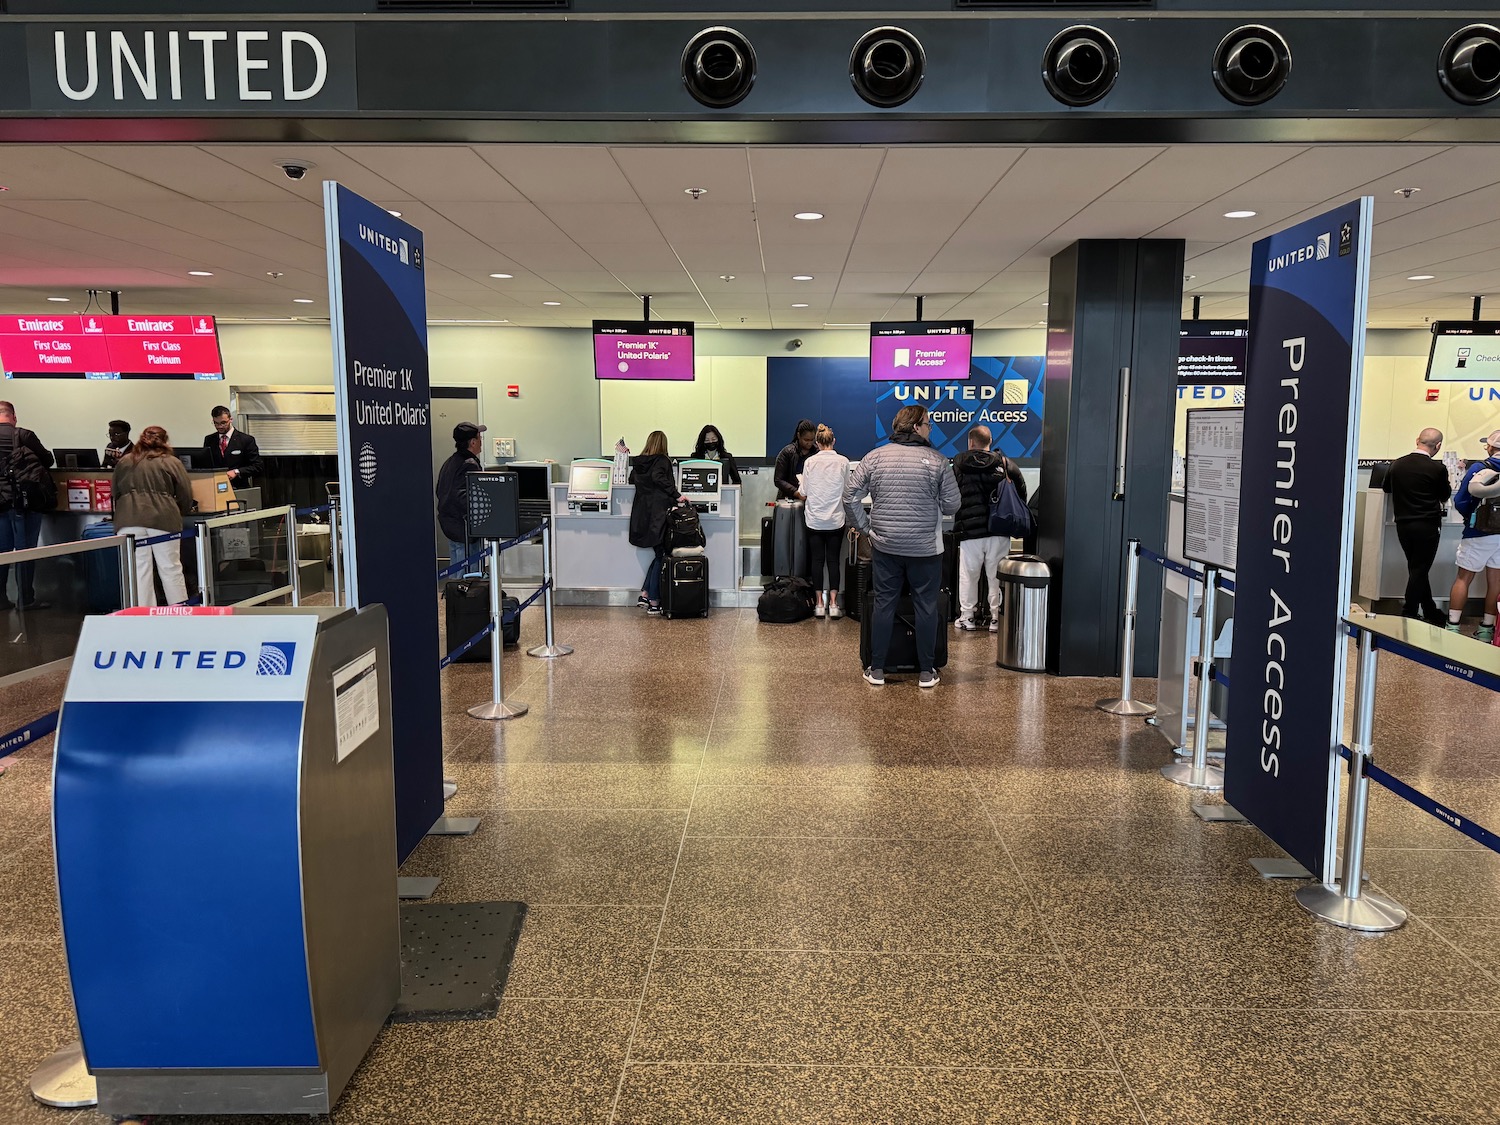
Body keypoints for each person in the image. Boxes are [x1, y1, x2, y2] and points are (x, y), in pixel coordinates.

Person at [843, 403, 961, 688]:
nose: (931, 429)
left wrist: (865, 528)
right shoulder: (937, 461)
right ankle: (926, 671)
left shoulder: (874, 458)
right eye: (929, 424)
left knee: (884, 603)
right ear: (917, 426)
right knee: (926, 606)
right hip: (926, 549)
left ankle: (878, 669)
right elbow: (953, 504)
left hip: (885, 546)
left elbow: (849, 496)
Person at [952, 425, 1027, 633]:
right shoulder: (1004, 463)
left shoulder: (959, 464)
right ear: (990, 441)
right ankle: (996, 618)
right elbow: (1021, 493)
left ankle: (968, 617)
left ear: (970, 442)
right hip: (999, 530)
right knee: (997, 576)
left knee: (969, 575)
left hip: (969, 531)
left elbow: (950, 493)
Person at [113, 425, 194, 607]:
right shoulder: (170, 462)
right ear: (165, 441)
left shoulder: (125, 461)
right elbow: (185, 493)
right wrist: (181, 510)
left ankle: (144, 616)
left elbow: (115, 492)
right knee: (170, 567)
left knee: (139, 570)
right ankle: (179, 614)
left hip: (128, 519)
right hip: (162, 518)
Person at [1382, 427, 1451, 624]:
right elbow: (1444, 495)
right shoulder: (1437, 469)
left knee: (1416, 568)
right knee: (1420, 568)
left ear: (1417, 440)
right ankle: (1409, 612)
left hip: (1403, 524)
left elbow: (1387, 487)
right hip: (1427, 525)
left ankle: (1430, 610)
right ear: (1437, 446)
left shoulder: (1397, 464)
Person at [0, 401, 55, 611]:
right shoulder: (23, 435)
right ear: (13, 417)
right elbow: (47, 460)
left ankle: (1, 598)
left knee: (2, 552)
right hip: (23, 501)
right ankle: (25, 599)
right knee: (25, 550)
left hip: (0, 503)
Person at [628, 430, 687, 616]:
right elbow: (658, 478)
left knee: (659, 554)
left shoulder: (638, 463)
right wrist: (678, 495)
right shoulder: (662, 460)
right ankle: (654, 601)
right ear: (663, 444)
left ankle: (645, 594)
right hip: (658, 515)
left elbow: (632, 480)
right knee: (662, 554)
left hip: (642, 515)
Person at [1451, 430, 1500, 640]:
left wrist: (1472, 517)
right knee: (1495, 581)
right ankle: (1487, 629)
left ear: (1490, 447)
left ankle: (1452, 626)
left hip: (1478, 532)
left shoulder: (1480, 468)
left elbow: (1461, 501)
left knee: (1464, 578)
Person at [801, 424, 850, 618]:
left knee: (817, 560)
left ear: (817, 443)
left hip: (814, 519)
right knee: (833, 560)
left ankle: (819, 604)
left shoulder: (810, 463)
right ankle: (834, 603)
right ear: (833, 441)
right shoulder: (844, 462)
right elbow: (847, 491)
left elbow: (803, 491)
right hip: (836, 520)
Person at [436, 421, 486, 568]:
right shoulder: (469, 464)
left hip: (451, 525)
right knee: (467, 576)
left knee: (457, 569)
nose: (481, 441)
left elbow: (440, 490)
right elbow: (465, 498)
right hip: (463, 528)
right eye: (479, 438)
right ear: (473, 442)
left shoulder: (451, 462)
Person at [201, 405, 263, 483]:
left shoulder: (246, 440)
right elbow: (206, 465)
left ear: (230, 420)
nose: (219, 426)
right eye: (216, 423)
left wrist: (237, 472)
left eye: (223, 423)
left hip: (239, 487)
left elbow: (257, 466)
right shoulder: (209, 440)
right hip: (215, 486)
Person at [773, 419, 818, 500]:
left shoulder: (817, 452)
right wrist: (796, 493)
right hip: (788, 498)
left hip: (811, 499)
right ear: (798, 435)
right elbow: (778, 480)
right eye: (806, 440)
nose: (810, 443)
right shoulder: (787, 452)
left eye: (812, 440)